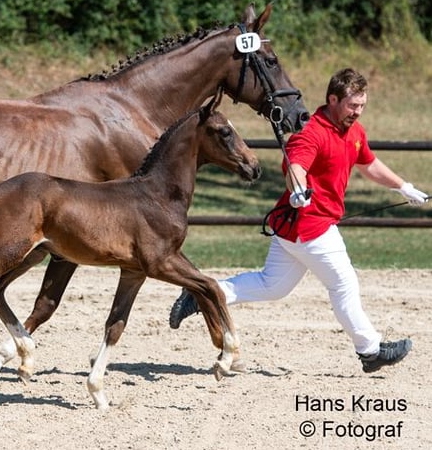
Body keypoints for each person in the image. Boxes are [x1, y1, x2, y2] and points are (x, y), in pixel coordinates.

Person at [169, 67, 427, 373]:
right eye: (352, 106)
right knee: (344, 283)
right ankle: (370, 350)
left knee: (272, 285)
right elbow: (296, 167)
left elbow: (368, 164)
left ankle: (204, 294)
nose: (357, 112)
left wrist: (403, 186)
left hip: (293, 229)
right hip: (311, 226)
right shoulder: (311, 133)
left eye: (362, 106)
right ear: (333, 99)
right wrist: (298, 190)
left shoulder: (353, 132)